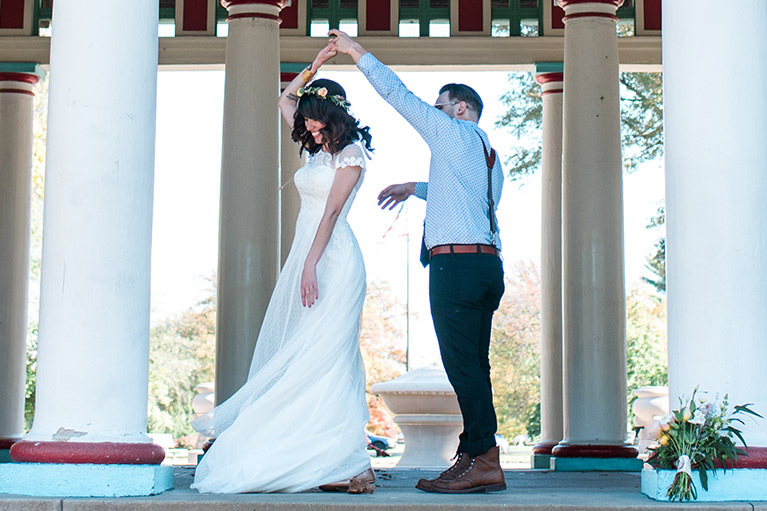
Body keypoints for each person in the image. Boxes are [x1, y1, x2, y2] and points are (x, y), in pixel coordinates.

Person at [191, 43, 375, 494]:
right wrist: (316, 65)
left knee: (329, 357)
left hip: (333, 261)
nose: (307, 128)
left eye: (314, 121)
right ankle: (333, 461)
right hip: (306, 257)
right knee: (303, 356)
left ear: (334, 118)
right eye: (307, 121)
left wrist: (309, 266)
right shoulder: (315, 152)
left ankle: (353, 462)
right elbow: (282, 100)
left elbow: (330, 215)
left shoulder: (351, 157)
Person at [330, 30, 506, 494]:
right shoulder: (488, 155)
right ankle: (473, 454)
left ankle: (484, 460)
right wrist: (416, 188)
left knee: (463, 367)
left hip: (457, 268)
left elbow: (397, 95)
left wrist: (355, 51)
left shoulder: (450, 133)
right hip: (487, 266)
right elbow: (470, 201)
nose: (436, 110)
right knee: (474, 365)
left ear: (460, 109)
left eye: (442, 104)